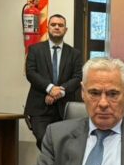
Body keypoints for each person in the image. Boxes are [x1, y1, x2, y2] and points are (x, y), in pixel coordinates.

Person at [24, 14, 83, 147]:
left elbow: (78, 77)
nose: (57, 27)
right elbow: (31, 73)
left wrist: (59, 92)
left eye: (60, 25)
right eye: (53, 24)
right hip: (39, 108)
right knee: (43, 140)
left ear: (65, 30)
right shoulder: (35, 50)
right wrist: (50, 88)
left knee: (64, 144)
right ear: (48, 27)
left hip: (65, 109)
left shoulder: (74, 54)